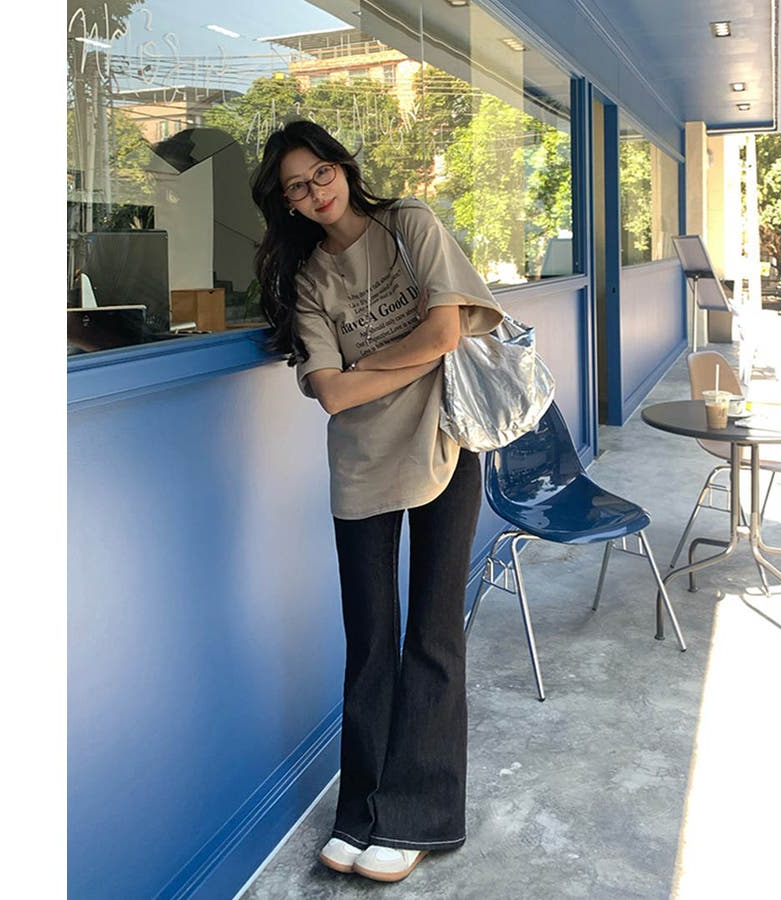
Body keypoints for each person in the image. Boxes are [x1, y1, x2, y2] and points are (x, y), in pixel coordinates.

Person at [250, 120, 504, 883]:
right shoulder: (308, 280)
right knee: (368, 643)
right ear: (287, 204)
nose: (315, 192)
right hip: (361, 466)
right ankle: (361, 810)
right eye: (297, 187)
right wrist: (410, 350)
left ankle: (419, 815)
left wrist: (369, 363)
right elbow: (331, 396)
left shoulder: (408, 226)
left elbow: (446, 332)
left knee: (432, 634)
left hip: (442, 446)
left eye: (320, 172)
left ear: (343, 166)